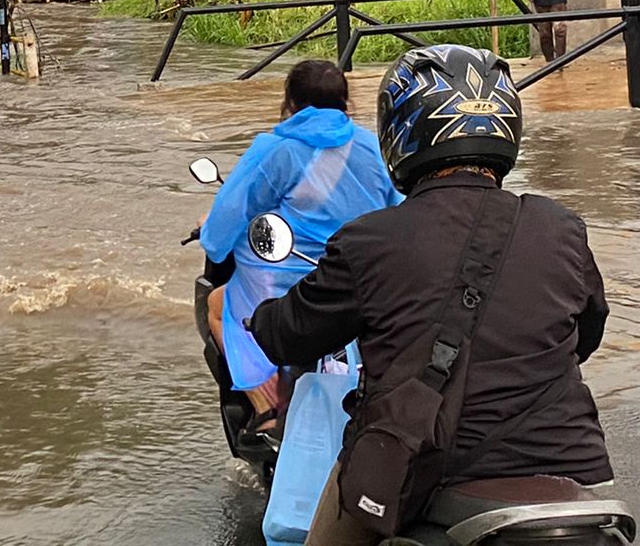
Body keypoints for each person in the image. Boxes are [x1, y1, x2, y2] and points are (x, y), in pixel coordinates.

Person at [249, 45, 612, 546]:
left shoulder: (369, 241)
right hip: (573, 472)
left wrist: (261, 317)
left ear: (401, 130)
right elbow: (587, 333)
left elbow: (290, 336)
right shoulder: (562, 227)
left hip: (425, 469)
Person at [200, 60, 400, 428]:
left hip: (297, 285)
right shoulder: (373, 147)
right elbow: (401, 210)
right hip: (367, 281)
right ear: (345, 102)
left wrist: (210, 233)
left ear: (290, 102)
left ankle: (266, 406)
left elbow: (227, 218)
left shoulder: (276, 150)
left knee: (217, 304)